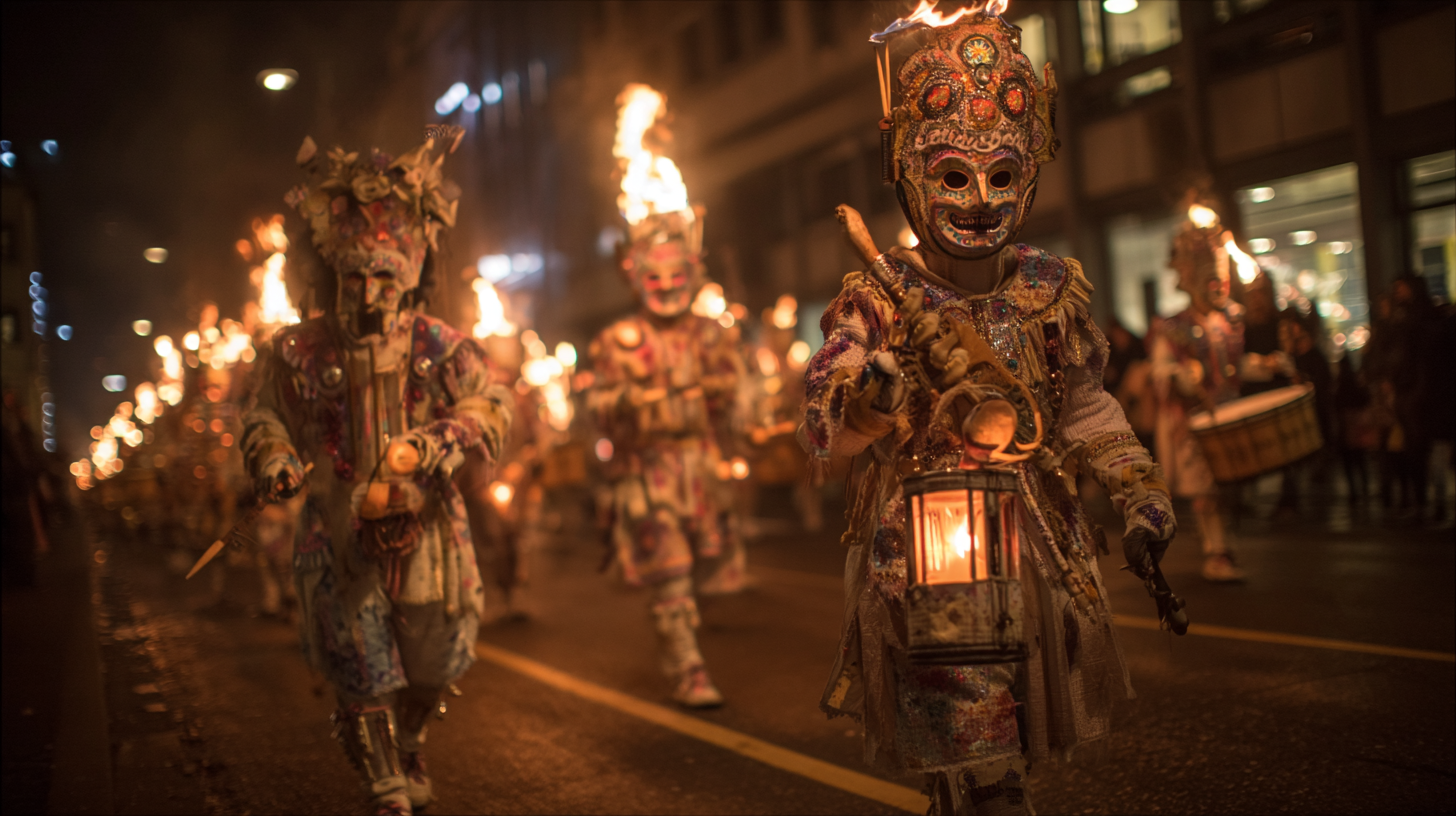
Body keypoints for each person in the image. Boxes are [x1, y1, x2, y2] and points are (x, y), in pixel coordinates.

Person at [801, 11, 1177, 814]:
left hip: (1041, 542)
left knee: (1001, 747)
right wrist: (875, 393)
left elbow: (1085, 404)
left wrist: (1139, 491)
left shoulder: (1050, 285)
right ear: (907, 169)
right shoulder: (878, 294)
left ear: (1032, 172)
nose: (978, 201)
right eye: (953, 176)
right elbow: (830, 387)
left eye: (1001, 177)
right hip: (928, 548)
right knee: (983, 756)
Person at [241, 127, 514, 816]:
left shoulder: (440, 346)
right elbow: (264, 416)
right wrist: (273, 456)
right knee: (361, 662)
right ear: (334, 272)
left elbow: (491, 404)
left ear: (409, 271)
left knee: (432, 664)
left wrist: (435, 442)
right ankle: (384, 779)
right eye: (355, 276)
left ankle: (412, 737)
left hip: (429, 534)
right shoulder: (299, 350)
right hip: (337, 532)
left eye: (383, 276)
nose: (368, 291)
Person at [588, 84, 745, 709]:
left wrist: (709, 389)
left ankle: (686, 640)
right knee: (670, 570)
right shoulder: (617, 338)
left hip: (700, 467)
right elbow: (601, 405)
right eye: (653, 277)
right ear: (633, 276)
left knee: (705, 570)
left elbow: (731, 388)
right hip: (649, 472)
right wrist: (637, 400)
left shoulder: (708, 333)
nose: (667, 286)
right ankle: (686, 666)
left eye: (678, 276)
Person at [1150, 205, 1247, 582]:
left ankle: (1223, 546)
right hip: (1191, 422)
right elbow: (1159, 370)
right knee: (1207, 490)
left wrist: (1266, 365)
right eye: (1210, 281)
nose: (1218, 288)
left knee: (1224, 489)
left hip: (1227, 415)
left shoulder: (1232, 321)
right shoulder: (1172, 327)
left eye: (1221, 281)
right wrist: (1178, 374)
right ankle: (1217, 553)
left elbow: (1235, 368)